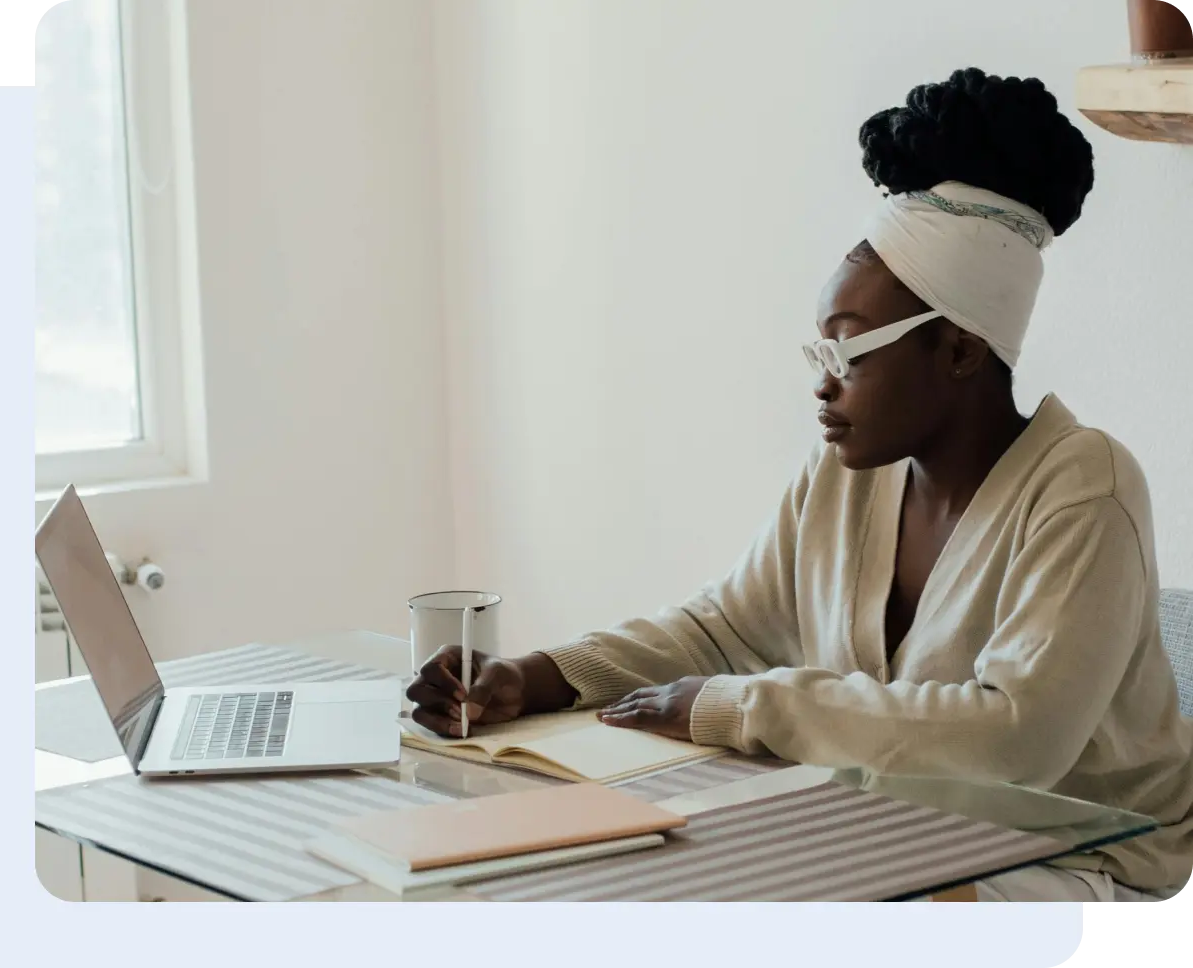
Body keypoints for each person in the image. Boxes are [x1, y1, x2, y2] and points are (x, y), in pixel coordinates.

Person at [407, 68, 1193, 902]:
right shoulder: (846, 478)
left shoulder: (1084, 489)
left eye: (849, 352)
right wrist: (535, 677)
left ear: (960, 352)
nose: (823, 384)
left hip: (1081, 862)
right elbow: (720, 632)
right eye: (820, 351)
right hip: (906, 832)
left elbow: (1016, 739)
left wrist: (742, 707)